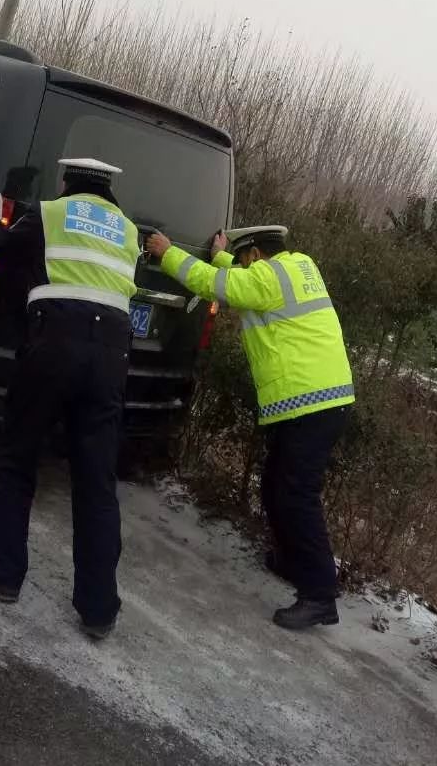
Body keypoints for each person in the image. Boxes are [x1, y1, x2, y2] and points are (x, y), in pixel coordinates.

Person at [144, 224, 354, 630]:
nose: (241, 266)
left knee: (296, 496)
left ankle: (320, 595)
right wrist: (224, 255)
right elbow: (242, 279)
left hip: (311, 402)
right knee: (276, 486)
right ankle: (294, 562)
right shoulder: (297, 266)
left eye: (243, 259)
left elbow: (217, 285)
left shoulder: (266, 277)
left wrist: (167, 251)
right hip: (319, 399)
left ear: (255, 254)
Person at [0, 158, 140, 639]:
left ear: (67, 183)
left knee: (18, 457)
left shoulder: (52, 213)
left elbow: (1, 247)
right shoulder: (129, 231)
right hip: (111, 355)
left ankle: (3, 574)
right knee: (96, 480)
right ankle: (99, 610)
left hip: (54, 342)